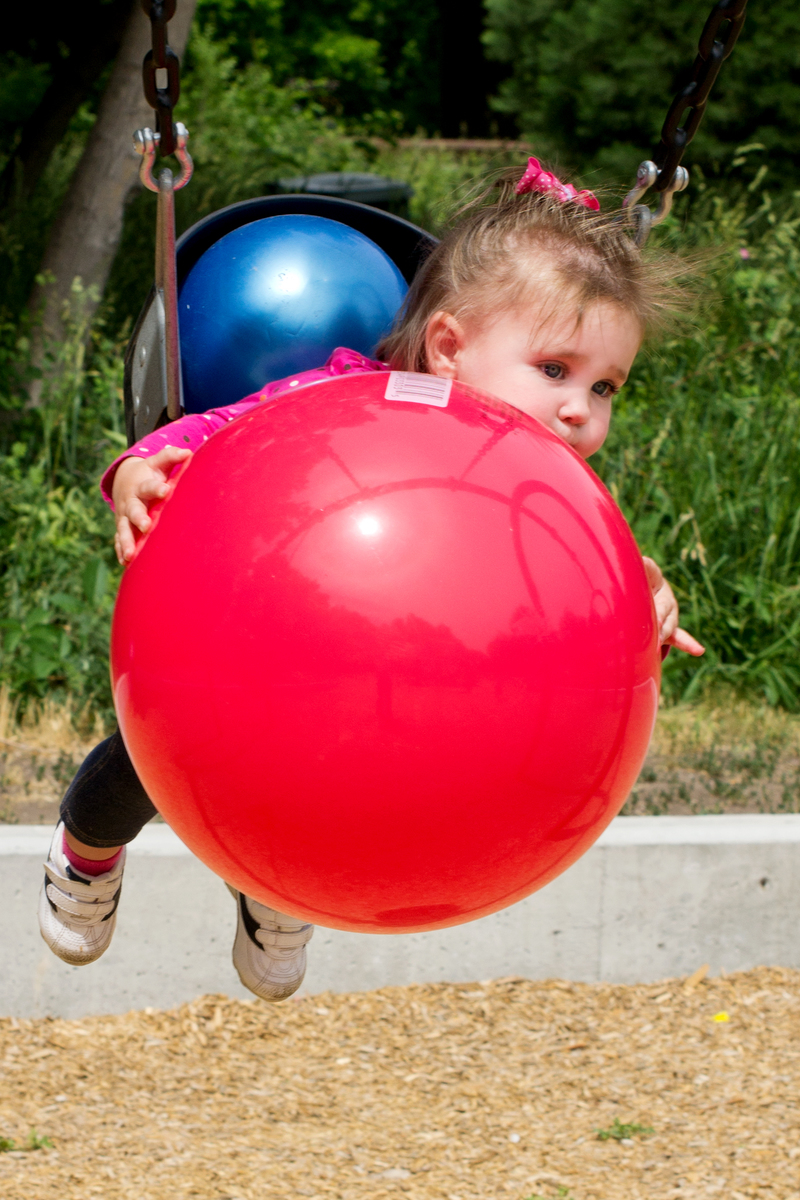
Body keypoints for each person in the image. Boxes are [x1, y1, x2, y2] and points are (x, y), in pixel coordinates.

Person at [39, 156, 704, 1001]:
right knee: (149, 764)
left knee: (326, 784)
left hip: (401, 702)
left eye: (605, 385)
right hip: (250, 651)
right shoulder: (344, 402)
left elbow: (578, 571)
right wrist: (138, 471)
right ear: (451, 348)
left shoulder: (546, 486)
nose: (582, 408)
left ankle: (281, 887)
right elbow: (217, 430)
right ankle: (85, 852)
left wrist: (642, 596)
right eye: (554, 370)